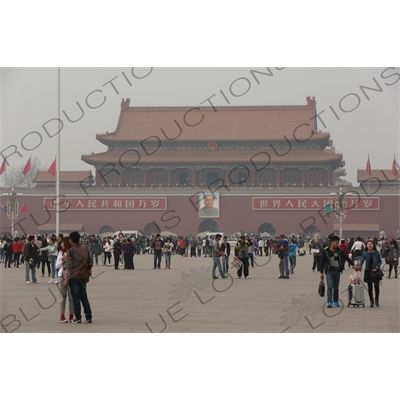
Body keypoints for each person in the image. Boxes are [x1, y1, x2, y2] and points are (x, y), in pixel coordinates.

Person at [64, 231, 93, 323]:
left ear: (71, 241)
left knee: (75, 297)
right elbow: (90, 263)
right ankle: (88, 317)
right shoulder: (85, 249)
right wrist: (88, 275)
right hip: (83, 276)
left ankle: (78, 317)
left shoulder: (71, 251)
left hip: (74, 277)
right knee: (84, 296)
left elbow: (69, 266)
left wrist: (66, 279)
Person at [319, 235, 354, 308]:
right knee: (330, 286)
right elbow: (322, 261)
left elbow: (346, 258)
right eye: (336, 243)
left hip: (337, 271)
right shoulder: (326, 251)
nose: (337, 244)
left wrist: (353, 265)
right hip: (329, 271)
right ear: (331, 242)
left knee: (336, 287)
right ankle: (329, 301)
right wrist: (321, 272)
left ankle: (335, 300)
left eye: (338, 243)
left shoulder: (339, 250)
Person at [357, 240, 382, 307]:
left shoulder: (377, 252)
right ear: (366, 246)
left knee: (376, 286)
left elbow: (380, 262)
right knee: (369, 287)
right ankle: (371, 301)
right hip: (368, 271)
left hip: (376, 271)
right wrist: (359, 266)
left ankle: (377, 300)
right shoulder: (365, 253)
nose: (370, 245)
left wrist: (376, 268)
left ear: (373, 245)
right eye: (368, 244)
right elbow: (362, 260)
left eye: (371, 244)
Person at [55, 237, 74, 322]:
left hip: (71, 276)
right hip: (61, 276)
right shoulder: (60, 253)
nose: (61, 244)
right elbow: (57, 266)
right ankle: (62, 316)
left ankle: (71, 315)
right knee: (62, 297)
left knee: (71, 298)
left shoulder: (72, 252)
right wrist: (62, 260)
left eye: (63, 243)